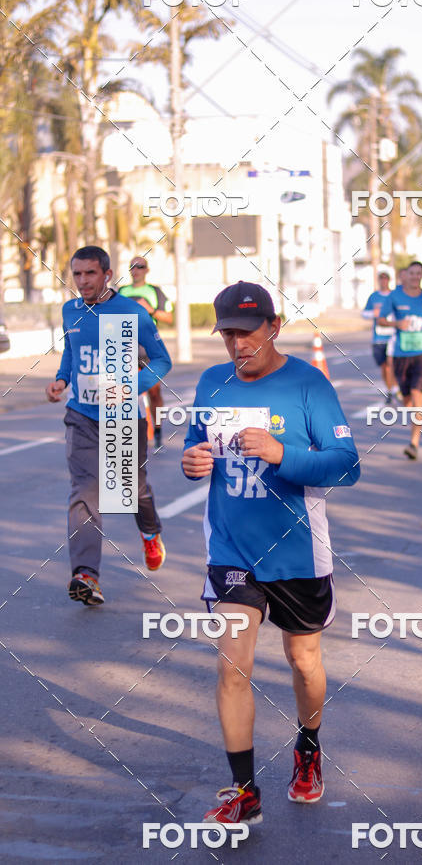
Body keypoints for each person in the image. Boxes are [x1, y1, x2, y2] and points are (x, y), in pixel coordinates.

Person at [181, 280, 360, 825]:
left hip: (298, 553)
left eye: (248, 333)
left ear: (275, 327)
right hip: (232, 550)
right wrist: (192, 462)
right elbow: (196, 446)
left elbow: (347, 464)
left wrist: (283, 453)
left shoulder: (309, 384)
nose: (238, 345)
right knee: (232, 666)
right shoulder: (213, 383)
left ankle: (308, 746)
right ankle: (244, 792)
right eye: (228, 334)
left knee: (303, 662)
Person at [45, 246, 172, 605]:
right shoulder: (70, 310)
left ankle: (150, 532)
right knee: (85, 490)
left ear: (107, 274)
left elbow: (162, 361)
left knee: (131, 490)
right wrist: (61, 379)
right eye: (77, 275)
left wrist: (131, 386)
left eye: (90, 274)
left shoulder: (131, 312)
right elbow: (71, 350)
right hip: (82, 415)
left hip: (122, 415)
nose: (83, 281)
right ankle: (86, 575)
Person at [378, 261, 422, 460]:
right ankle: (414, 423)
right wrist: (398, 323)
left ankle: (414, 442)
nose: (415, 277)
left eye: (418, 273)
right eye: (411, 273)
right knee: (407, 400)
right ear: (406, 275)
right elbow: (381, 319)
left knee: (417, 393)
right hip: (400, 354)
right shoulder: (394, 297)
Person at [120, 256, 174, 448]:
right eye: (132, 267)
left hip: (148, 346)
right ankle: (130, 433)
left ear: (147, 270)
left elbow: (168, 317)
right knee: (127, 391)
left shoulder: (154, 291)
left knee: (154, 392)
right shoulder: (122, 292)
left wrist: (150, 310)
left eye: (140, 267)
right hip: (126, 345)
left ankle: (158, 430)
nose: (136, 270)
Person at [362, 271, 398, 403]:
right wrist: (374, 313)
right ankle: (389, 389)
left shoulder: (394, 296)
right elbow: (364, 313)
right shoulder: (374, 297)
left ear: (389, 280)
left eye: (385, 279)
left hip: (392, 335)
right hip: (378, 337)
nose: (383, 281)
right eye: (381, 279)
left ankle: (394, 389)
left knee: (391, 364)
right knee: (384, 366)